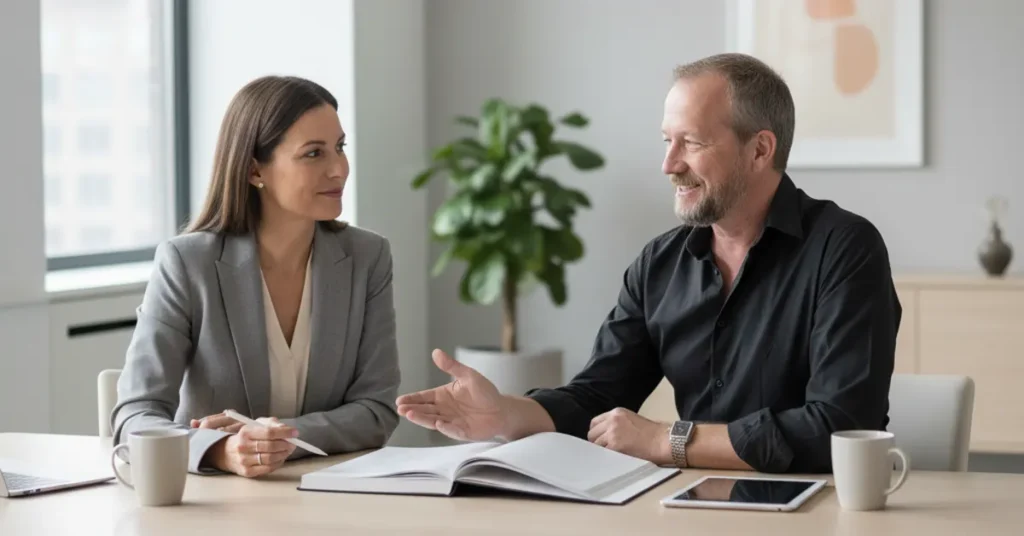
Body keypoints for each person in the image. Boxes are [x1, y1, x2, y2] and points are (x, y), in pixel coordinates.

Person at [397, 53, 900, 474]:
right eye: (667, 141)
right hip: (687, 507)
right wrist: (504, 413)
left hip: (815, 512)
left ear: (759, 150)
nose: (669, 164)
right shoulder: (660, 263)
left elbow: (838, 428)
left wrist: (669, 441)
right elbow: (596, 396)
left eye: (693, 143)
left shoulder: (845, 249)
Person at [112, 75, 401, 478]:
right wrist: (220, 451)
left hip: (329, 499)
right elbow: (135, 417)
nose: (339, 169)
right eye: (314, 153)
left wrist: (278, 438)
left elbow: (377, 410)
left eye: (340, 148)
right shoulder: (186, 263)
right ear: (253, 170)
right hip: (215, 506)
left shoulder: (368, 257)